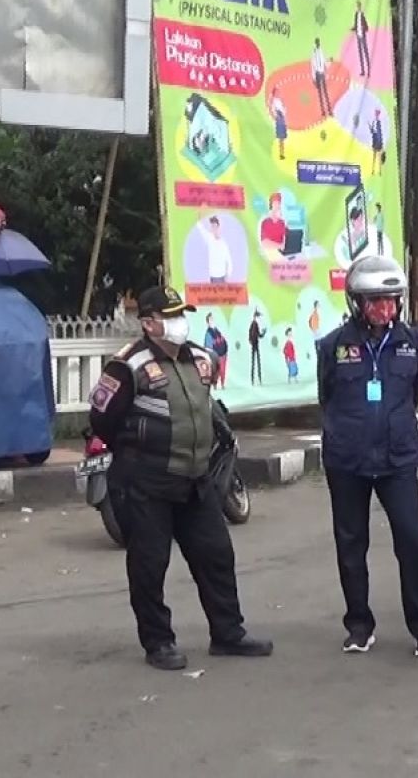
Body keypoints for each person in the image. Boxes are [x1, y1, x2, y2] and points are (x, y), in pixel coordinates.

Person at [88, 285, 273, 670]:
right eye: (170, 317)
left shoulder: (201, 359)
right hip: (147, 483)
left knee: (216, 556)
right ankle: (158, 642)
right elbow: (102, 419)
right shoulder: (127, 365)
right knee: (149, 564)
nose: (179, 323)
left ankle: (228, 633)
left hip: (196, 479)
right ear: (149, 323)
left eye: (181, 315)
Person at [317, 255, 418, 657]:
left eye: (391, 300)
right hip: (347, 460)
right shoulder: (334, 346)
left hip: (398, 457)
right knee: (351, 543)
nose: (384, 309)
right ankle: (359, 625)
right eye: (375, 301)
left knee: (412, 539)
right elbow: (327, 395)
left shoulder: (412, 343)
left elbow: (414, 393)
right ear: (357, 302)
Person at [203, 313, 228, 389]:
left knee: (223, 371)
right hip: (216, 355)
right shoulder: (208, 333)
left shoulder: (217, 331)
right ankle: (215, 384)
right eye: (210, 319)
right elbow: (208, 347)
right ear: (208, 322)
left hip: (223, 354)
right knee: (216, 371)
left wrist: (225, 351)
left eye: (213, 319)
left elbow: (223, 340)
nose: (212, 320)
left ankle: (222, 384)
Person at [311, 38, 332, 116]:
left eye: (319, 42)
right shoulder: (314, 53)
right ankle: (323, 110)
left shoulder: (321, 51)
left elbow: (324, 62)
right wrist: (313, 78)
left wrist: (329, 62)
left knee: (325, 92)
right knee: (320, 93)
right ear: (315, 43)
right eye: (317, 42)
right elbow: (313, 66)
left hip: (322, 73)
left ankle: (329, 110)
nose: (318, 44)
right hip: (318, 74)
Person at [352, 1, 371, 77]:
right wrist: (354, 29)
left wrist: (364, 28)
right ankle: (363, 70)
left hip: (362, 35)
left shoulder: (362, 15)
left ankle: (369, 70)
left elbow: (366, 25)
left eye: (358, 6)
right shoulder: (356, 15)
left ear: (359, 7)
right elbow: (355, 24)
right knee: (360, 54)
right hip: (358, 35)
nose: (357, 8)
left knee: (365, 53)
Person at [248, 310, 266, 385]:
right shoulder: (254, 324)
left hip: (254, 344)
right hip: (255, 344)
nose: (259, 319)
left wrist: (263, 333)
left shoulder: (253, 324)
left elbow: (255, 335)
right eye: (258, 317)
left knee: (255, 362)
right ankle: (256, 379)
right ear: (255, 317)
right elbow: (257, 335)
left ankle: (256, 379)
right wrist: (263, 333)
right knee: (256, 362)